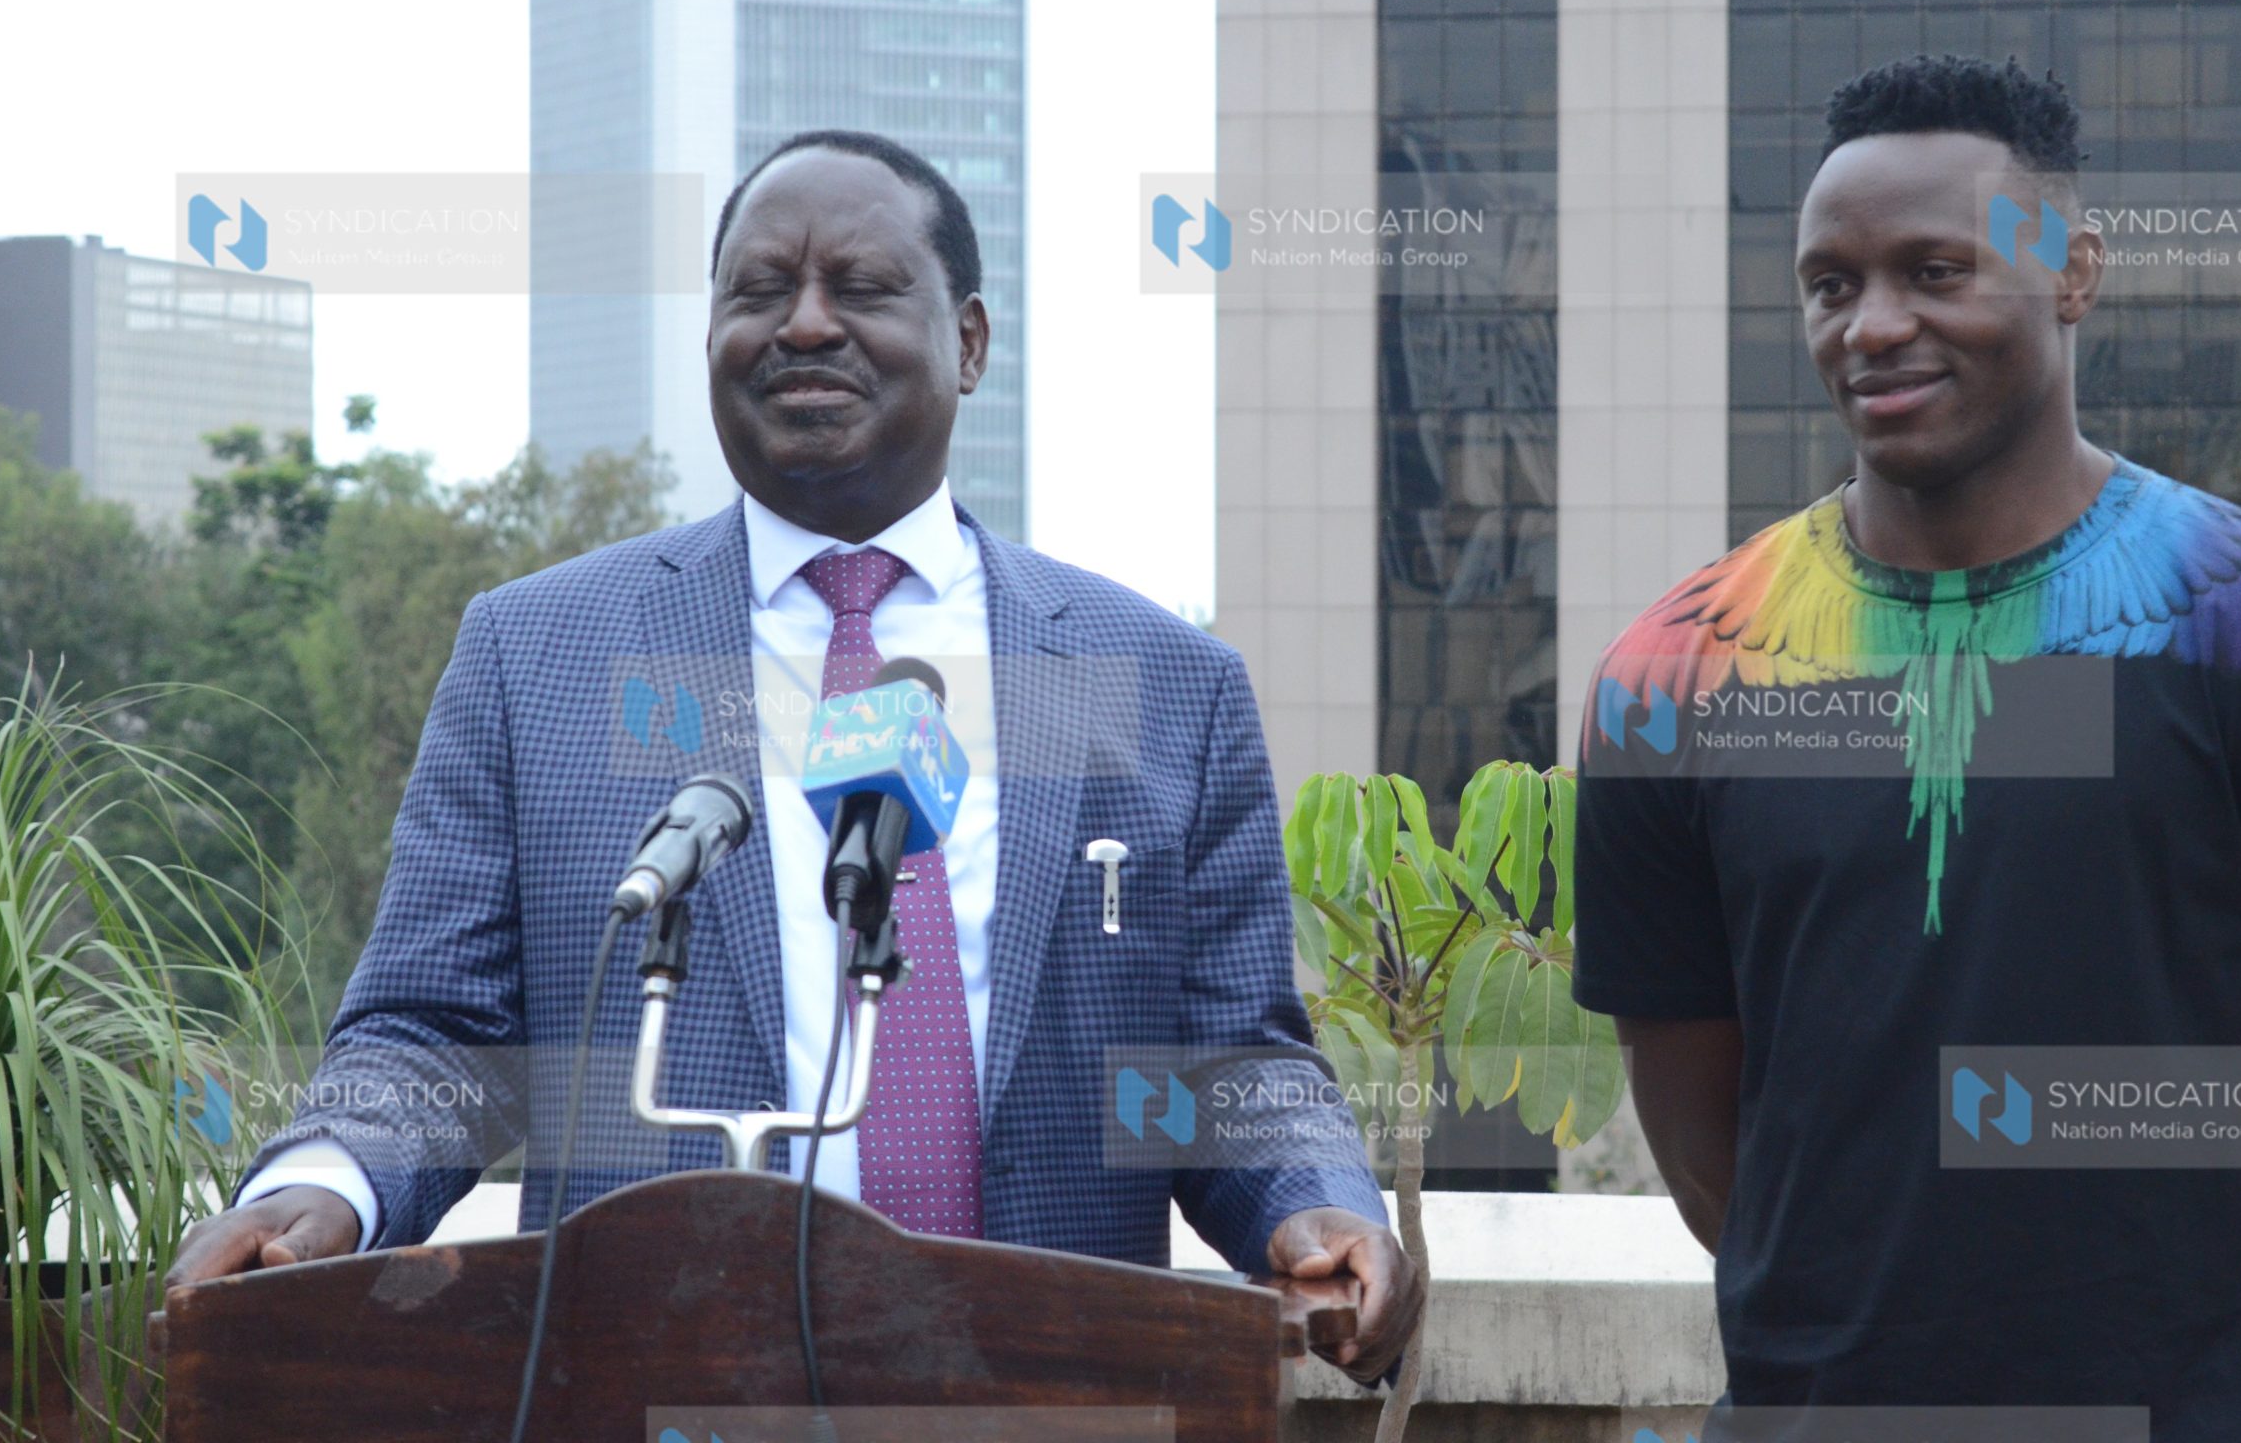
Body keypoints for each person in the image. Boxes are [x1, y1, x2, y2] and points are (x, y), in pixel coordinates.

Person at [166, 129, 1419, 1382]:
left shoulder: (1153, 682)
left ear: (970, 342)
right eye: (758, 292)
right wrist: (326, 1184)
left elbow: (1229, 1056)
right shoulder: (536, 657)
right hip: (658, 1388)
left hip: (1048, 1393)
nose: (804, 325)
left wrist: (1313, 1200)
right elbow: (436, 1031)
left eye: (862, 289)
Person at [1571, 55, 2241, 1436]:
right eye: (1832, 284)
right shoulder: (1676, 671)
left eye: (1937, 271)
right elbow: (1711, 1148)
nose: (1873, 326)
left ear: (2073, 269)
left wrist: (2215, 1372)